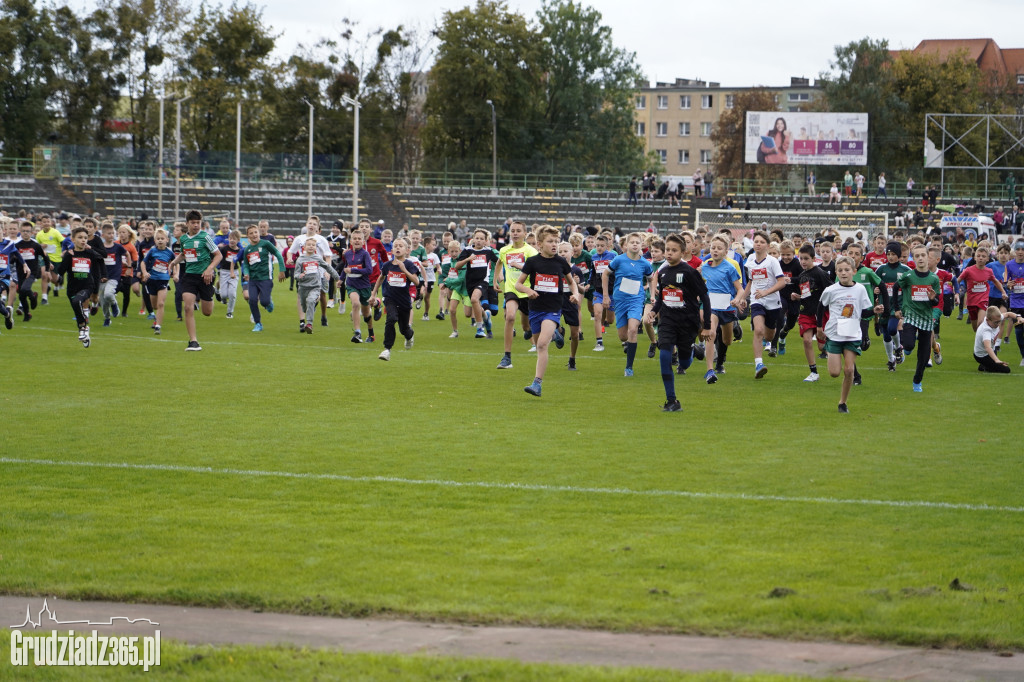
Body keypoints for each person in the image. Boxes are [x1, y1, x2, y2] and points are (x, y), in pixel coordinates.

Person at [646, 234, 713, 410]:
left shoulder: (689, 272)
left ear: (682, 252)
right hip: (667, 322)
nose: (669, 253)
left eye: (673, 250)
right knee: (665, 356)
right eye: (667, 250)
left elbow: (705, 298)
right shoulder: (663, 271)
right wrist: (653, 311)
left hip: (687, 322)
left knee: (684, 363)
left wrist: (706, 326)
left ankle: (692, 349)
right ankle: (672, 400)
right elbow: (662, 296)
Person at [516, 225, 579, 396]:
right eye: (550, 241)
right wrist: (528, 291)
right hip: (535, 309)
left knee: (542, 345)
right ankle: (556, 333)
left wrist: (575, 294)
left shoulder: (561, 262)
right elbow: (518, 284)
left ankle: (537, 384)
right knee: (538, 345)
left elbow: (571, 282)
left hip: (552, 309)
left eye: (556, 242)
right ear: (539, 244)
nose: (554, 245)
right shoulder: (532, 262)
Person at [818, 256, 885, 413]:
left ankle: (843, 402)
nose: (843, 273)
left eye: (847, 270)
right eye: (840, 270)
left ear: (854, 272)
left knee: (849, 370)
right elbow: (821, 307)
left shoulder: (860, 289)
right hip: (834, 334)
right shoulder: (831, 290)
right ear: (836, 272)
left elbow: (863, 310)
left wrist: (874, 311)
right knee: (834, 373)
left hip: (852, 334)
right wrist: (819, 327)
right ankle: (831, 352)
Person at [167, 209, 222, 351]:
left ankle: (212, 293)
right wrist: (174, 262)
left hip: (205, 276)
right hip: (190, 276)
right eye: (193, 223)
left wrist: (209, 269)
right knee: (187, 307)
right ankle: (193, 341)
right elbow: (184, 254)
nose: (196, 225)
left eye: (198, 223)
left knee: (207, 312)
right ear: (187, 224)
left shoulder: (205, 237)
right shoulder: (184, 239)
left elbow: (218, 255)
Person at [602, 232, 655, 377]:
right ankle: (629, 345)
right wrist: (606, 296)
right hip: (620, 300)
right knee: (623, 336)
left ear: (642, 245)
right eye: (632, 242)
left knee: (633, 330)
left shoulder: (645, 263)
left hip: (636, 300)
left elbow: (651, 279)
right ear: (626, 245)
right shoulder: (618, 260)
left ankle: (629, 367)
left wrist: (652, 295)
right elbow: (605, 274)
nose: (635, 244)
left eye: (638, 242)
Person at [737, 231, 787, 378]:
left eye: (761, 242)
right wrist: (742, 298)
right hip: (757, 300)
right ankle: (759, 364)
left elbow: (782, 282)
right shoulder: (751, 262)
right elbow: (751, 283)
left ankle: (772, 339)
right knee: (758, 330)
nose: (758, 244)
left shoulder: (773, 261)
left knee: (769, 336)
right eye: (756, 241)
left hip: (773, 302)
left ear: (767, 245)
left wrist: (766, 292)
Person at [893, 244, 942, 392]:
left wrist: (933, 299)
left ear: (928, 257)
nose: (920, 258)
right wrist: (896, 309)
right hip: (910, 316)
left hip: (926, 319)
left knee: (923, 355)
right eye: (917, 256)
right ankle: (906, 349)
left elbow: (936, 301)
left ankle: (917, 382)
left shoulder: (934, 278)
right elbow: (895, 288)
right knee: (908, 345)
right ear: (913, 259)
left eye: (923, 255)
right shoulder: (908, 276)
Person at [495, 220, 538, 369]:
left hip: (527, 291)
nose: (515, 233)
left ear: (525, 234)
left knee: (526, 327)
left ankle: (532, 331)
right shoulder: (504, 250)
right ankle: (507, 358)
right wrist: (495, 280)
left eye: (518, 231)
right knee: (510, 316)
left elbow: (535, 270)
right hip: (511, 289)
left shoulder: (531, 251)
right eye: (513, 230)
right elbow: (499, 263)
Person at [52, 226, 104, 348]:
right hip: (72, 288)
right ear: (73, 239)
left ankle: (84, 328)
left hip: (87, 286)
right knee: (77, 308)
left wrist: (103, 275)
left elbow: (102, 257)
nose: (83, 240)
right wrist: (65, 257)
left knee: (77, 302)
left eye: (85, 238)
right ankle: (84, 334)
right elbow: (61, 270)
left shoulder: (90, 253)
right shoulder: (70, 254)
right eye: (80, 237)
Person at [700, 234, 743, 379]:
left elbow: (740, 289)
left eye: (719, 248)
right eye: (713, 248)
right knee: (711, 333)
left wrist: (737, 299)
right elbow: (697, 281)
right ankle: (710, 370)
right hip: (712, 306)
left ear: (726, 251)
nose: (715, 250)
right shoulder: (705, 266)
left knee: (727, 340)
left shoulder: (730, 268)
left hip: (727, 306)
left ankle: (720, 362)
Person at [370, 237, 419, 361]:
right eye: (395, 246)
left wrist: (404, 270)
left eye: (400, 246)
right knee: (391, 319)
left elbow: (416, 281)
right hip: (390, 298)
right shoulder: (387, 265)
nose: (397, 248)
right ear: (391, 250)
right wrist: (373, 294)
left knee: (404, 329)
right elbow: (380, 278)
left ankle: (409, 335)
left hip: (404, 300)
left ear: (407, 250)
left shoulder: (409, 264)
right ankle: (387, 349)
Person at [793, 243, 832, 382]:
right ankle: (813, 372)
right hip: (805, 312)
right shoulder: (802, 275)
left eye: (806, 259)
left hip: (819, 313)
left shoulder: (820, 273)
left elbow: (831, 289)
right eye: (801, 258)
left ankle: (839, 350)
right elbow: (806, 293)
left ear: (813, 259)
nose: (803, 261)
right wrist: (798, 296)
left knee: (822, 346)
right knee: (807, 340)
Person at [452, 229, 500, 339]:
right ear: (473, 239)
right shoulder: (467, 250)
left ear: (486, 241)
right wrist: (468, 259)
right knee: (477, 304)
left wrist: (497, 277)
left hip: (483, 281)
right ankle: (485, 317)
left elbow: (499, 261)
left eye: (481, 239)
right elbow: (457, 266)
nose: (478, 241)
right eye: (477, 238)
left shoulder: (488, 251)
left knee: (474, 299)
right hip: (470, 283)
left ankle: (479, 329)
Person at [241, 224, 286, 333]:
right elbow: (246, 264)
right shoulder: (247, 249)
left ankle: (269, 303)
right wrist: (246, 273)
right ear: (247, 236)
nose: (254, 235)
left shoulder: (266, 244)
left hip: (266, 278)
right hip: (253, 280)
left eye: (255, 232)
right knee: (252, 300)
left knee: (264, 302)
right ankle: (258, 323)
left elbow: (278, 254)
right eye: (251, 233)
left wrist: (282, 269)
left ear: (258, 233)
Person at [294, 237, 340, 334]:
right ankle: (308, 312)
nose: (311, 247)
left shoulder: (318, 258)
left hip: (315, 286)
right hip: (303, 287)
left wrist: (337, 277)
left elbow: (328, 267)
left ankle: (309, 324)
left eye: (313, 245)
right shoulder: (300, 259)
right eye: (309, 245)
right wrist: (300, 276)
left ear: (316, 248)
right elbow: (296, 275)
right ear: (304, 247)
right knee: (304, 307)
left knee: (310, 301)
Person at [958, 246, 1006, 331]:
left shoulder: (989, 271)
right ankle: (981, 342)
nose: (981, 258)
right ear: (975, 257)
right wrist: (956, 291)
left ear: (987, 259)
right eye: (979, 256)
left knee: (980, 323)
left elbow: (995, 281)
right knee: (976, 329)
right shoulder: (968, 270)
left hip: (983, 301)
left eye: (983, 256)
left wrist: (1003, 292)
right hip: (971, 302)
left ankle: (988, 340)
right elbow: (958, 280)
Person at [340, 229, 376, 343]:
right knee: (356, 304)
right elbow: (346, 267)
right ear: (350, 241)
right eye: (354, 238)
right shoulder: (347, 254)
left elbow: (369, 270)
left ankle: (371, 334)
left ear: (363, 241)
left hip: (364, 286)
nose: (356, 240)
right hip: (351, 285)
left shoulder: (365, 254)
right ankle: (357, 333)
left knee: (366, 314)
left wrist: (353, 270)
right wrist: (341, 279)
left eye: (359, 238)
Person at [12, 221, 51, 322]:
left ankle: (33, 297)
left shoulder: (35, 245)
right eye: (24, 231)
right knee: (21, 295)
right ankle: (27, 314)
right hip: (20, 273)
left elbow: (45, 257)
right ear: (20, 232)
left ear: (32, 232)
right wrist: (14, 258)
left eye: (28, 231)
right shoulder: (17, 245)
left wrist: (47, 270)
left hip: (32, 272)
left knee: (25, 289)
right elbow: (11, 259)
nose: (25, 233)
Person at [139, 228, 175, 335]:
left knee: (161, 303)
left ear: (167, 240)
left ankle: (158, 326)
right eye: (158, 239)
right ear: (155, 240)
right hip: (152, 280)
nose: (160, 240)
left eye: (162, 238)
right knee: (154, 305)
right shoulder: (152, 251)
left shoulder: (169, 252)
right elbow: (143, 263)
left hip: (163, 280)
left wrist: (175, 272)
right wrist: (145, 273)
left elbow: (175, 262)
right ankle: (156, 319)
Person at [556, 241, 584, 370]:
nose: (562, 254)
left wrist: (577, 285)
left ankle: (572, 359)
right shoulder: (554, 267)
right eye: (560, 251)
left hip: (570, 301)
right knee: (550, 323)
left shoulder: (576, 270)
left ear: (572, 253)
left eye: (565, 251)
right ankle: (559, 330)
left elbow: (583, 291)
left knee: (574, 335)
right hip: (555, 300)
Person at [590, 233, 617, 351]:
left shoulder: (613, 257)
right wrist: (588, 284)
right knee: (597, 314)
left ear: (607, 246)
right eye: (597, 245)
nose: (599, 248)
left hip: (612, 292)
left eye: (602, 245)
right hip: (598, 292)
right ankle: (599, 342)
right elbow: (592, 272)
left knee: (610, 320)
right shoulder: (594, 257)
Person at [974, 306, 1022, 372]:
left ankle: (985, 366)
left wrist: (1018, 317)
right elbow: (988, 348)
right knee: (1006, 370)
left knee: (995, 363)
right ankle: (985, 366)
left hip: (991, 350)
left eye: (999, 321)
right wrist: (996, 360)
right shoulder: (986, 331)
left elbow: (1008, 314)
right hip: (982, 356)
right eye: (996, 322)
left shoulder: (995, 318)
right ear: (987, 319)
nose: (998, 324)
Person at [99, 222, 128, 326]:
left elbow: (127, 254)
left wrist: (128, 265)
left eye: (112, 233)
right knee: (103, 301)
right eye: (108, 233)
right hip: (102, 277)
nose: (111, 235)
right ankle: (107, 318)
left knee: (108, 294)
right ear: (103, 235)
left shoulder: (118, 247)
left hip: (114, 276)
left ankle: (114, 304)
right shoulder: (100, 247)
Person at [216, 229, 242, 319]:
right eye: (230, 238)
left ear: (238, 240)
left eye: (234, 239)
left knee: (232, 294)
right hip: (224, 272)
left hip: (234, 273)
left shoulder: (240, 251)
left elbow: (242, 263)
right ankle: (220, 295)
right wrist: (218, 267)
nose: (232, 240)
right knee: (223, 295)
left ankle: (229, 312)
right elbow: (217, 257)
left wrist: (245, 273)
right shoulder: (224, 249)